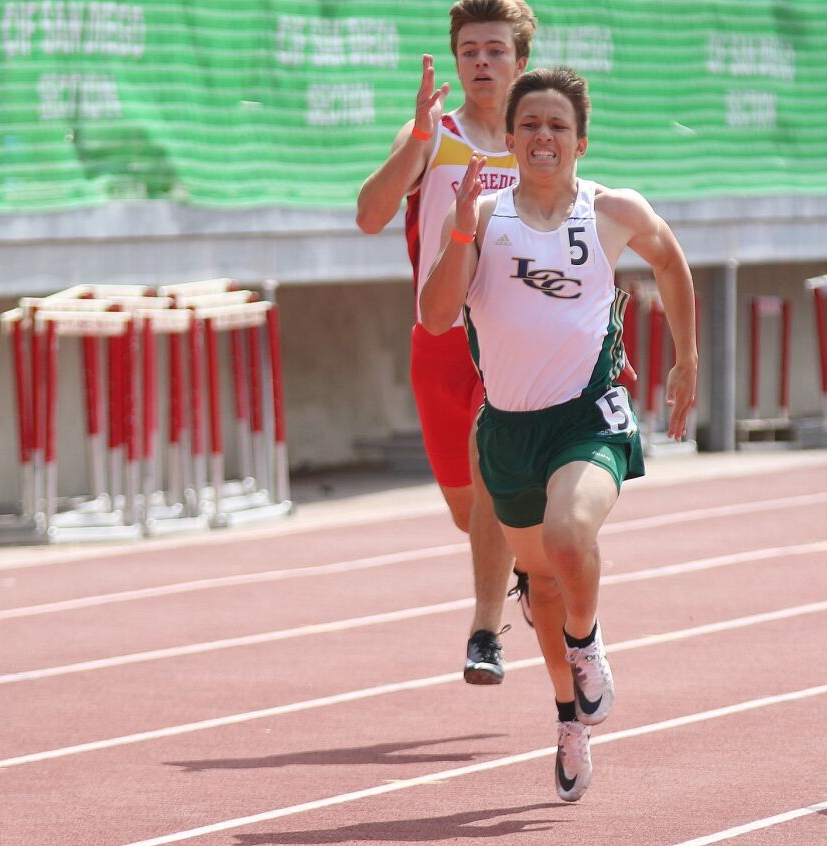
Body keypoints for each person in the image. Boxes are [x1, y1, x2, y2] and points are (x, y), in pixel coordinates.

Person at [420, 66, 697, 801]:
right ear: (510, 138)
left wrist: (687, 357)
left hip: (589, 416)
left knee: (571, 540)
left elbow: (669, 261)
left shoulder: (612, 211)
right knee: (540, 585)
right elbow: (439, 315)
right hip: (509, 433)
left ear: (581, 138)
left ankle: (588, 641)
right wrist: (457, 232)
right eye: (531, 125)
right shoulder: (485, 218)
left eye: (558, 126)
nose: (544, 137)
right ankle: (568, 716)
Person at [356, 0, 538, 685]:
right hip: (439, 340)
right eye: (470, 52)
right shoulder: (434, 135)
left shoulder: (536, 136)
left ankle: (484, 633)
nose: (482, 62)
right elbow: (370, 216)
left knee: (492, 470)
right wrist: (416, 139)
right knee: (472, 517)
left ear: (519, 61)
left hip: (514, 341)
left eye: (495, 50)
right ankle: (525, 567)